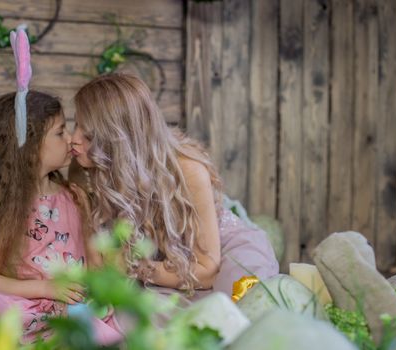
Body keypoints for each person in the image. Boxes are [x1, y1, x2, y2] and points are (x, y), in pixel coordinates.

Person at [69, 73, 279, 316]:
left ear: (121, 138)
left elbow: (208, 270)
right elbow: (103, 271)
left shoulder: (187, 169)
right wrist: (86, 215)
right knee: (135, 320)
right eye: (76, 125)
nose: (73, 140)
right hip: (164, 270)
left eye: (88, 135)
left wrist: (136, 268)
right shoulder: (85, 171)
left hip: (217, 258)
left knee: (241, 304)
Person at [0, 29, 122, 345]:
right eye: (61, 132)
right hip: (24, 303)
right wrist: (46, 289)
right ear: (31, 147)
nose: (72, 140)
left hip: (70, 304)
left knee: (97, 332)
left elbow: (93, 261)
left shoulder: (75, 196)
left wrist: (99, 290)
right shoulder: (10, 206)